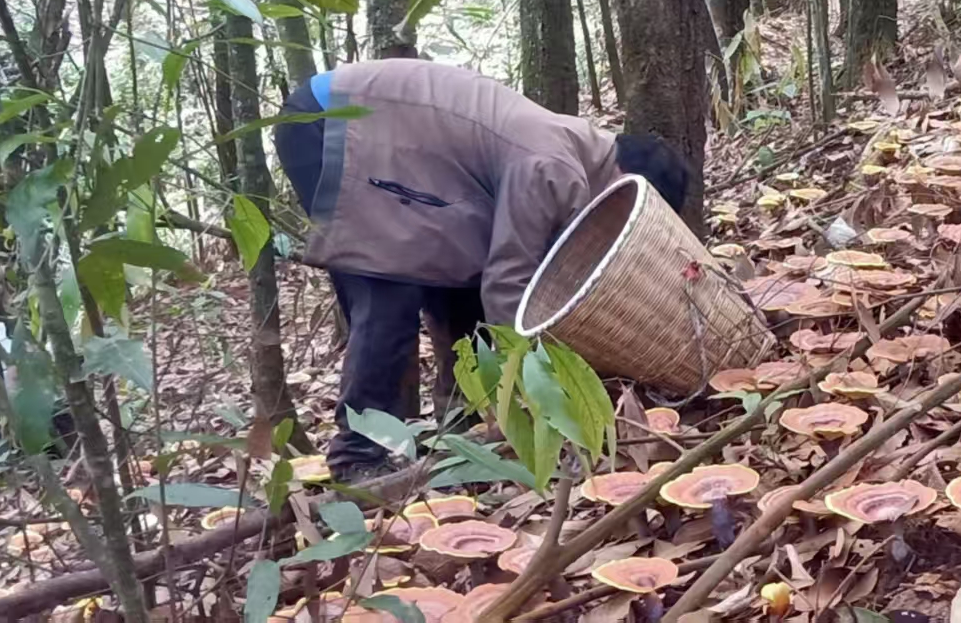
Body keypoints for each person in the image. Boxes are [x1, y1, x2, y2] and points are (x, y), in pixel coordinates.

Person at [270, 59, 699, 479]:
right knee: (389, 288)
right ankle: (360, 455)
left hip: (381, 134)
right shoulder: (553, 165)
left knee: (458, 278)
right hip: (331, 121)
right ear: (627, 181)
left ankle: (459, 426)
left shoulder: (574, 151)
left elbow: (489, 273)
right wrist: (541, 393)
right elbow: (508, 285)